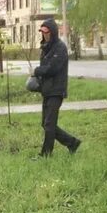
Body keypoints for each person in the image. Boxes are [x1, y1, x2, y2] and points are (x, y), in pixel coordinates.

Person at [33, 18, 79, 158]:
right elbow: (45, 69)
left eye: (47, 32)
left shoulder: (60, 47)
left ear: (52, 32)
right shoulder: (45, 47)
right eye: (42, 32)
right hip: (47, 90)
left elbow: (53, 68)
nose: (45, 35)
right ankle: (72, 142)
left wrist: (37, 71)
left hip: (56, 91)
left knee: (49, 124)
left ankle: (46, 154)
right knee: (45, 124)